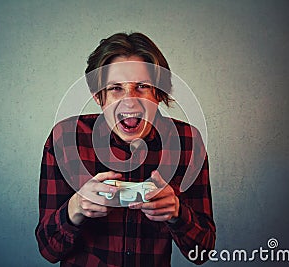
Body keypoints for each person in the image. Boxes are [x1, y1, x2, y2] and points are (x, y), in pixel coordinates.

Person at [35, 32, 216, 266]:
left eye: (142, 86)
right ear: (99, 97)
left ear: (158, 94)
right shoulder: (66, 139)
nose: (130, 100)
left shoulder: (187, 141)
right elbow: (48, 250)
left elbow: (203, 252)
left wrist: (177, 213)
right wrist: (76, 207)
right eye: (116, 88)